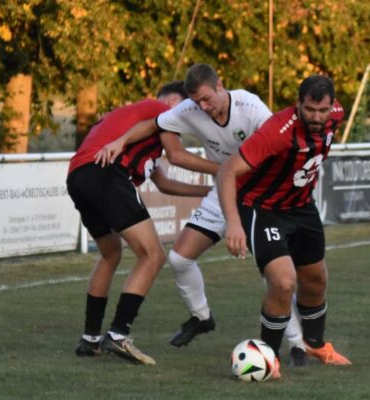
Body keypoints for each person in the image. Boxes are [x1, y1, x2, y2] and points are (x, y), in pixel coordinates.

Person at [95, 64, 310, 366]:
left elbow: (279, 145)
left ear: (221, 86)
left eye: (208, 99)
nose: (204, 107)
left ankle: (297, 344)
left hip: (260, 196)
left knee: (273, 273)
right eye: (198, 103)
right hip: (223, 191)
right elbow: (153, 124)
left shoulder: (250, 106)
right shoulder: (190, 109)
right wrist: (120, 141)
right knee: (179, 258)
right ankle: (202, 317)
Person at [67, 81, 211, 365]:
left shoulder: (142, 132)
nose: (192, 117)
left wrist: (211, 192)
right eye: (190, 108)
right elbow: (178, 156)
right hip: (106, 172)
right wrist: (228, 170)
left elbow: (166, 184)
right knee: (153, 254)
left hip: (79, 176)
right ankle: (119, 334)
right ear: (172, 103)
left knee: (110, 254)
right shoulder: (159, 110)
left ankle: (90, 339)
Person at [218, 75, 352, 380]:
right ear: (298, 103)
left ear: (332, 106)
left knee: (316, 279)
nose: (317, 117)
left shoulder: (336, 115)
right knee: (283, 282)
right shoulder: (277, 132)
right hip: (262, 208)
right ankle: (268, 358)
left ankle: (315, 345)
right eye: (309, 110)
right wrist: (234, 224)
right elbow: (227, 171)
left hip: (301, 206)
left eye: (323, 110)